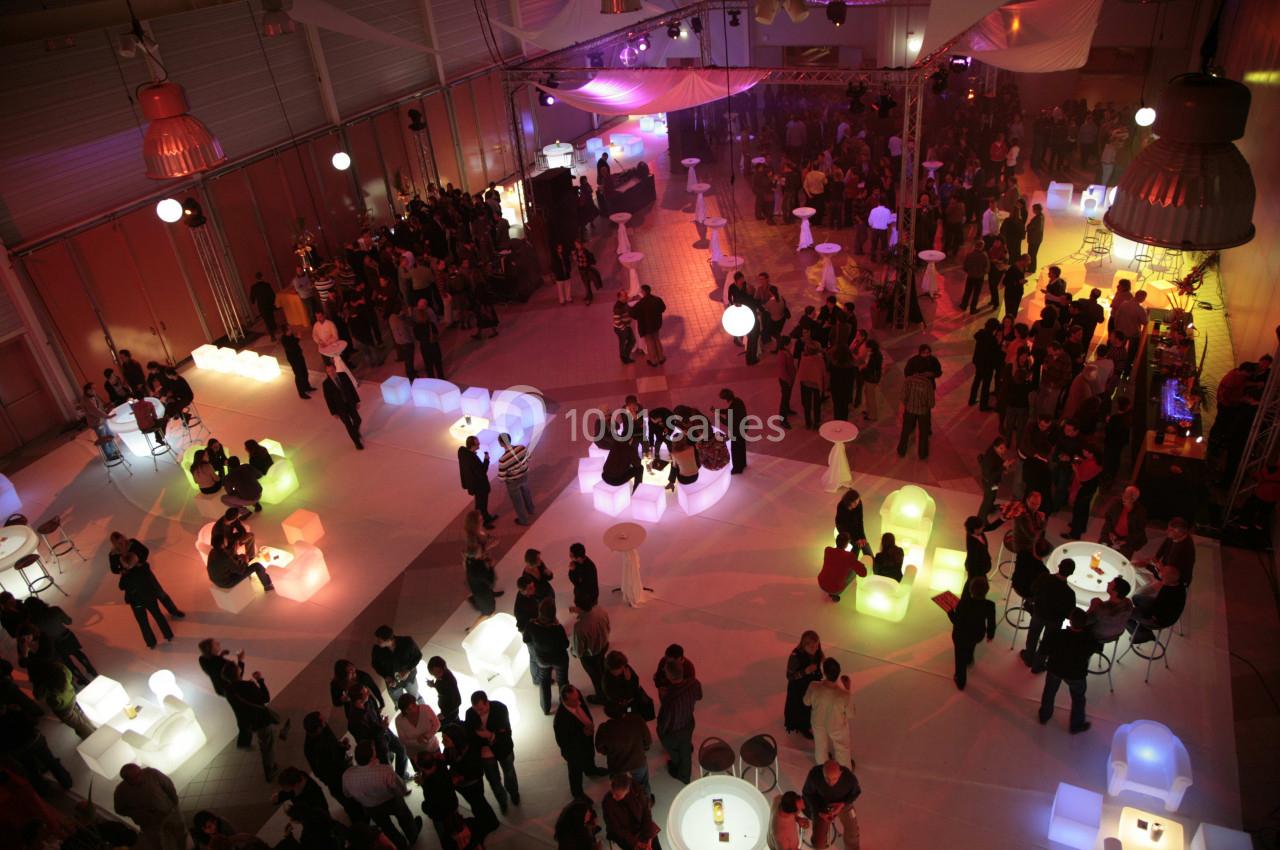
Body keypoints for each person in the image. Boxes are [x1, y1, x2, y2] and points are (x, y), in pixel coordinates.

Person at [342, 741, 421, 850]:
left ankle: (400, 844)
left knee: (387, 827)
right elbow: (401, 788)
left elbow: (347, 794)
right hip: (391, 801)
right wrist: (400, 794)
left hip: (370, 807)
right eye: (374, 750)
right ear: (372, 756)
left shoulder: (347, 775)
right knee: (405, 817)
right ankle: (413, 835)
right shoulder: (385, 770)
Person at [224, 662, 288, 781]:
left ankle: (271, 763)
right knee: (267, 746)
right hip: (261, 719)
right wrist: (260, 680)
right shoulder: (248, 685)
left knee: (266, 740)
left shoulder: (228, 690)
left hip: (250, 721)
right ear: (237, 672)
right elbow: (265, 698)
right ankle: (270, 770)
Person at [302, 712, 366, 824]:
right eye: (323, 721)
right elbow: (321, 771)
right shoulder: (311, 749)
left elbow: (334, 744)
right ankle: (360, 823)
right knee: (349, 804)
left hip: (343, 769)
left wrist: (342, 747)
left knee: (356, 794)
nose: (326, 721)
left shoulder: (324, 729)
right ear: (317, 729)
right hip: (336, 780)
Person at [1037, 610, 1094, 734]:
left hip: (1055, 669)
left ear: (1070, 621)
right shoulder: (1089, 639)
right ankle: (1076, 725)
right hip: (1076, 674)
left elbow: (1043, 650)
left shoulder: (1057, 634)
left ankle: (1044, 716)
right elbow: (1090, 652)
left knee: (1049, 692)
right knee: (1078, 698)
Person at [465, 690, 520, 813]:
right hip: (485, 753)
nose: (478, 712)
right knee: (493, 780)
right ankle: (502, 801)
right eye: (475, 709)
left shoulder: (500, 708)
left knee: (509, 773)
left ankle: (513, 793)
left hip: (503, 749)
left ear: (487, 702)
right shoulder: (470, 714)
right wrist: (492, 735)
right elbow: (471, 736)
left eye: (481, 709)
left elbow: (506, 733)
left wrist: (489, 735)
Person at [117, 552, 184, 648]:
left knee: (143, 622)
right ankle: (168, 635)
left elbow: (121, 587)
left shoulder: (126, 576)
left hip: (137, 602)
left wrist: (123, 574)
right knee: (158, 615)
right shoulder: (144, 568)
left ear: (125, 564)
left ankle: (151, 642)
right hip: (150, 598)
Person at [1021, 558, 1078, 672]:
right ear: (1071, 573)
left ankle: (1028, 657)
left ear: (1059, 566)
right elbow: (1069, 614)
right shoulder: (1070, 593)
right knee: (1047, 642)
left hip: (1038, 613)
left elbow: (1033, 589)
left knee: (1033, 635)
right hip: (1055, 621)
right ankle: (1038, 665)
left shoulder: (1044, 577)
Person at [554, 684, 608, 800]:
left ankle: (591, 770)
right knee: (575, 772)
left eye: (578, 697)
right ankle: (577, 793)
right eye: (574, 700)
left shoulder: (577, 698)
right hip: (574, 752)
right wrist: (583, 733)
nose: (579, 702)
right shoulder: (560, 720)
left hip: (586, 741)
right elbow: (563, 742)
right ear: (565, 700)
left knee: (589, 756)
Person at [114, 764, 186, 850]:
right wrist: (138, 814)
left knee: (180, 834)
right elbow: (119, 810)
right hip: (150, 824)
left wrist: (175, 802)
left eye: (140, 772)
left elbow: (168, 786)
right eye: (135, 777)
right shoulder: (121, 791)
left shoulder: (152, 773)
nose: (140, 776)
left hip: (169, 813)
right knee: (161, 843)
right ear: (127, 780)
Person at [655, 659, 702, 785]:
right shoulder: (694, 683)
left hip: (675, 731)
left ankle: (682, 774)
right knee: (685, 746)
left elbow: (664, 721)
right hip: (688, 722)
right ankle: (684, 772)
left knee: (675, 749)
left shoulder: (669, 697)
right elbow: (699, 696)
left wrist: (661, 733)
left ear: (669, 676)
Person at [803, 658, 854, 768]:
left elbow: (806, 702)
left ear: (824, 672)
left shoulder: (813, 686)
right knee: (842, 748)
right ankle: (844, 770)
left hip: (818, 722)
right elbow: (851, 714)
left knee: (820, 747)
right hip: (836, 725)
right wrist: (848, 689)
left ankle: (823, 768)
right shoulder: (844, 694)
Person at [27, 658, 95, 739]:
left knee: (78, 725)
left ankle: (92, 737)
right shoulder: (59, 667)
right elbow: (70, 676)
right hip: (71, 695)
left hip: (62, 707)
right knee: (80, 714)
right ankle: (93, 729)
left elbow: (38, 696)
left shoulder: (42, 683)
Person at [595, 703, 653, 797]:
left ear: (607, 713)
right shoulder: (637, 720)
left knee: (619, 788)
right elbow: (648, 741)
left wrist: (609, 751)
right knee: (642, 784)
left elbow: (600, 749)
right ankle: (646, 800)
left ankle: (623, 801)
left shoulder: (604, 728)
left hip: (617, 765)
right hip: (637, 761)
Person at [525, 597, 571, 715]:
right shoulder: (558, 628)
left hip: (542, 660)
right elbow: (566, 644)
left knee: (544, 681)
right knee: (562, 681)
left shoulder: (531, 625)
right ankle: (565, 705)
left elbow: (526, 639)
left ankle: (545, 708)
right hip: (560, 659)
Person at [949, 577, 997, 690]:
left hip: (960, 635)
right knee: (971, 645)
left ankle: (960, 680)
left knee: (959, 656)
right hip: (977, 634)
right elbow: (992, 622)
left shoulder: (963, 603)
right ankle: (969, 659)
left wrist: (950, 612)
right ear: (987, 590)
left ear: (970, 590)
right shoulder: (990, 605)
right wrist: (990, 635)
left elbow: (956, 621)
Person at [801, 760, 861, 850]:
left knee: (853, 830)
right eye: (827, 778)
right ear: (822, 772)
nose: (831, 783)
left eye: (834, 779)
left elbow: (856, 792)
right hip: (821, 806)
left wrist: (842, 804)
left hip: (842, 803)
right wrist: (818, 812)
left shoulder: (848, 777)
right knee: (819, 842)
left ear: (840, 773)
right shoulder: (815, 774)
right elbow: (807, 793)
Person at [601, 773, 661, 850]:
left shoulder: (637, 790)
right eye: (612, 792)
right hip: (625, 835)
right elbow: (616, 829)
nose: (613, 796)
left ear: (627, 791)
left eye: (618, 795)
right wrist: (636, 843)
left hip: (640, 826)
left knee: (656, 846)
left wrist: (649, 838)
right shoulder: (608, 803)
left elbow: (646, 814)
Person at [784, 631, 824, 738]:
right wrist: (805, 671)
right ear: (804, 645)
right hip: (799, 689)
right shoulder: (795, 656)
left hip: (811, 685)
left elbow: (820, 656)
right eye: (812, 647)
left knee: (810, 706)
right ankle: (802, 727)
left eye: (816, 645)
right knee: (801, 708)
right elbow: (790, 676)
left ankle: (808, 722)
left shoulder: (816, 651)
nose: (815, 649)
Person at [571, 596, 610, 702]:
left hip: (591, 657)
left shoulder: (579, 627)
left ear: (579, 607)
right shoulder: (601, 610)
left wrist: (572, 652)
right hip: (604, 647)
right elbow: (608, 628)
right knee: (602, 667)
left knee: (595, 676)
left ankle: (601, 697)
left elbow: (578, 651)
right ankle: (607, 686)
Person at [371, 626, 422, 704]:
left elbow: (418, 656)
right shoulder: (377, 649)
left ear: (388, 640)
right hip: (392, 683)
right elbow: (375, 664)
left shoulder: (407, 642)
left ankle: (421, 706)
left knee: (415, 696)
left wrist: (408, 671)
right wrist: (386, 676)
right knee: (399, 703)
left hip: (409, 678)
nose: (377, 642)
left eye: (379, 640)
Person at [206, 535, 274, 593]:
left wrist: (238, 557)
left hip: (217, 579)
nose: (227, 540)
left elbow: (226, 563)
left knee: (240, 561)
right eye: (225, 540)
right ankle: (268, 585)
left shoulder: (212, 552)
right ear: (223, 544)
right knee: (257, 566)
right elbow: (241, 571)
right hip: (227, 582)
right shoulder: (225, 557)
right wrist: (245, 561)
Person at [897, 361, 936, 459]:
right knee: (923, 433)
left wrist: (904, 407)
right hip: (923, 412)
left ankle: (901, 451)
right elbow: (931, 402)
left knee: (905, 431)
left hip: (909, 410)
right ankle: (923, 454)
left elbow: (903, 397)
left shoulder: (908, 381)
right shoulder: (928, 383)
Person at [321, 361, 363, 450]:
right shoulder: (326, 384)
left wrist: (357, 400)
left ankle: (355, 433)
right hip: (340, 408)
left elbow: (351, 388)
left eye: (332, 370)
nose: (331, 373)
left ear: (335, 369)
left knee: (357, 420)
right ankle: (357, 442)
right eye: (328, 371)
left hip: (350, 403)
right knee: (348, 425)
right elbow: (328, 399)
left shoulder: (343, 375)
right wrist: (333, 412)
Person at [1144, 518, 1197, 587]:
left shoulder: (1185, 549)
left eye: (1170, 530)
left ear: (1179, 533)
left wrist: (1154, 566)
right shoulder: (1172, 537)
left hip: (1174, 582)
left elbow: (1170, 573)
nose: (1166, 531)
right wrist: (1154, 559)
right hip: (1163, 572)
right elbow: (1160, 552)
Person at [1099, 486, 1148, 557]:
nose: (1123, 497)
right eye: (1124, 493)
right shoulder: (1116, 504)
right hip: (1112, 534)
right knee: (1101, 551)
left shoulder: (1140, 512)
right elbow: (1108, 520)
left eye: (1127, 496)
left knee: (1122, 559)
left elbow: (1139, 532)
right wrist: (1110, 532)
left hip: (1128, 539)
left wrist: (1125, 541)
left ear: (1133, 499)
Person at [497, 433, 534, 526]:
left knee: (518, 502)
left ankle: (524, 520)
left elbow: (501, 478)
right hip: (524, 475)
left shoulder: (503, 460)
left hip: (513, 482)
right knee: (526, 492)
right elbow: (529, 458)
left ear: (501, 444)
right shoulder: (521, 448)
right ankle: (531, 509)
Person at [458, 436, 495, 528]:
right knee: (481, 505)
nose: (479, 445)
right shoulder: (472, 458)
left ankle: (486, 518)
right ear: (473, 445)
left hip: (474, 485)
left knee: (481, 504)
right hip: (479, 486)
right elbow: (482, 471)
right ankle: (482, 523)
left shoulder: (465, 455)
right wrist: (486, 460)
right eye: (477, 443)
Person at [1085, 577, 1133, 646]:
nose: (1108, 583)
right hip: (1116, 634)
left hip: (1098, 636)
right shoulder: (1128, 603)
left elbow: (1084, 621)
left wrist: (1092, 606)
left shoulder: (1102, 609)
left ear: (1115, 592)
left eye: (1111, 583)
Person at [818, 534, 866, 602]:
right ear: (847, 545)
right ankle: (834, 594)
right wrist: (861, 565)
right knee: (854, 572)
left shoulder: (828, 550)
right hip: (835, 589)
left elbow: (841, 558)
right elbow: (863, 573)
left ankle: (832, 592)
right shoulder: (849, 557)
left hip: (821, 583)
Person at [630, 285, 667, 366]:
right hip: (656, 324)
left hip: (646, 326)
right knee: (657, 340)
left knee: (650, 342)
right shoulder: (657, 299)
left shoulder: (640, 304)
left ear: (643, 292)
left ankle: (653, 361)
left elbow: (633, 314)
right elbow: (663, 308)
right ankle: (661, 358)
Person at [716, 388, 749, 474]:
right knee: (741, 447)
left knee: (735, 450)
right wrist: (718, 411)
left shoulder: (732, 407)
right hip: (743, 428)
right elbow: (728, 411)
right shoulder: (738, 401)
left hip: (736, 431)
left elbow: (728, 422)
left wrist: (718, 416)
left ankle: (737, 468)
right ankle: (743, 463)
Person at [978, 437, 1011, 520]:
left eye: (1004, 448)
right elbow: (991, 476)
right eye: (1001, 448)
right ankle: (981, 519)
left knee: (992, 496)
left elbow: (997, 464)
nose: (1004, 450)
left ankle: (990, 508)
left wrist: (1004, 465)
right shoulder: (991, 458)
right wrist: (1003, 467)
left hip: (994, 483)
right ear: (995, 447)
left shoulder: (995, 452)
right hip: (990, 483)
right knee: (987, 501)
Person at [280, 327, 316, 399]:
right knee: (299, 376)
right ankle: (301, 393)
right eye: (289, 329)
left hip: (299, 356)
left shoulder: (291, 335)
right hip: (294, 360)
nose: (291, 329)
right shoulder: (284, 339)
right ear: (286, 331)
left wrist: (297, 338)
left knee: (305, 372)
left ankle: (307, 387)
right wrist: (298, 338)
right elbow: (291, 347)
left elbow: (294, 343)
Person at [427, 656, 462, 723]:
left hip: (450, 713)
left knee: (452, 725)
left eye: (438, 672)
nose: (437, 676)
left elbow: (457, 701)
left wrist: (444, 714)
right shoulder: (442, 676)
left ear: (444, 667)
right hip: (446, 710)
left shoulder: (450, 682)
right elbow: (442, 688)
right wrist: (434, 685)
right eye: (434, 674)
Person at [568, 542, 600, 611]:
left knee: (590, 615)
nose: (569, 556)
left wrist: (572, 571)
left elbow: (578, 584)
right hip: (580, 597)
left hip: (589, 599)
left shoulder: (589, 567)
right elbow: (575, 581)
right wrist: (571, 571)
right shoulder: (575, 563)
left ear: (579, 557)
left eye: (571, 555)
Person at [249, 272, 279, 339]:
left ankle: (271, 333)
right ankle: (274, 327)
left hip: (261, 306)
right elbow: (272, 295)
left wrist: (253, 302)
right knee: (271, 317)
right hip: (269, 304)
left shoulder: (254, 287)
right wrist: (273, 302)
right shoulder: (267, 285)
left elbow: (252, 298)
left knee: (266, 319)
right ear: (262, 277)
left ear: (256, 278)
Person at [612, 290, 637, 365]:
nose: (626, 296)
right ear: (619, 297)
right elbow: (617, 321)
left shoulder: (624, 303)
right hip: (621, 328)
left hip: (626, 326)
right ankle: (624, 357)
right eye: (625, 295)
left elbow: (629, 309)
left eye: (626, 294)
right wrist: (624, 329)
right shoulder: (617, 307)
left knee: (631, 341)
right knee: (624, 342)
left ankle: (625, 356)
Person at [1002, 254, 1030, 320]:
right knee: (1009, 312)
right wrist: (1018, 282)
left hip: (1018, 293)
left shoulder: (1023, 267)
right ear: (1022, 261)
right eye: (1028, 261)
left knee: (1014, 311)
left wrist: (1021, 282)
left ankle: (1012, 321)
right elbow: (1005, 282)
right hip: (1010, 294)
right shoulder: (1012, 269)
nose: (1030, 262)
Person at [1025, 203, 1045, 271]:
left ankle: (1032, 268)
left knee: (1032, 254)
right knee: (1033, 254)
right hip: (1037, 239)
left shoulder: (1038, 218)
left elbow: (1032, 227)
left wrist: (1028, 228)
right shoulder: (1041, 216)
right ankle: (1032, 267)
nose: (1033, 210)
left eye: (1034, 209)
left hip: (1034, 240)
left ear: (1037, 210)